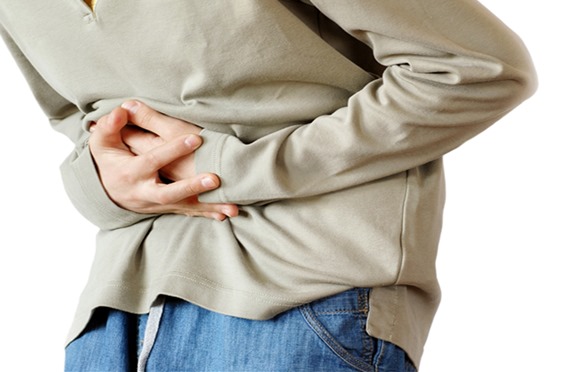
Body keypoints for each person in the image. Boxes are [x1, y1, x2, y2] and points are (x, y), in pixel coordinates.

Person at [0, 0, 536, 370]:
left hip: (304, 290)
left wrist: (236, 170)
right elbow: (80, 120)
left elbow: (475, 68)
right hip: (116, 308)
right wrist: (103, 183)